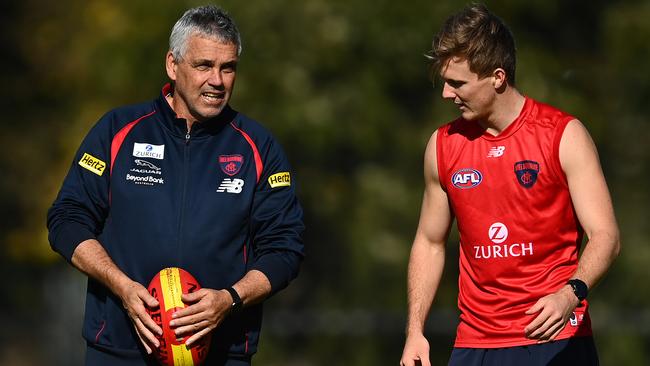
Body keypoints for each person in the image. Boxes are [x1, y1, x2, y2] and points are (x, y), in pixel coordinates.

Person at [47, 5, 304, 366]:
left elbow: (285, 248)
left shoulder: (258, 147)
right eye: (204, 66)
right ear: (173, 65)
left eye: (227, 68)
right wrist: (121, 286)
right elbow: (66, 220)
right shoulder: (117, 130)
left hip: (222, 353)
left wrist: (229, 299)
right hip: (119, 350)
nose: (217, 80)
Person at [400, 4, 620, 366]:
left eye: (457, 83)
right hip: (476, 343)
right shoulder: (442, 146)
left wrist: (570, 294)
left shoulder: (563, 136)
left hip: (556, 337)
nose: (446, 94)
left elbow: (606, 236)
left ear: (498, 77)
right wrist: (414, 331)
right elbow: (430, 241)